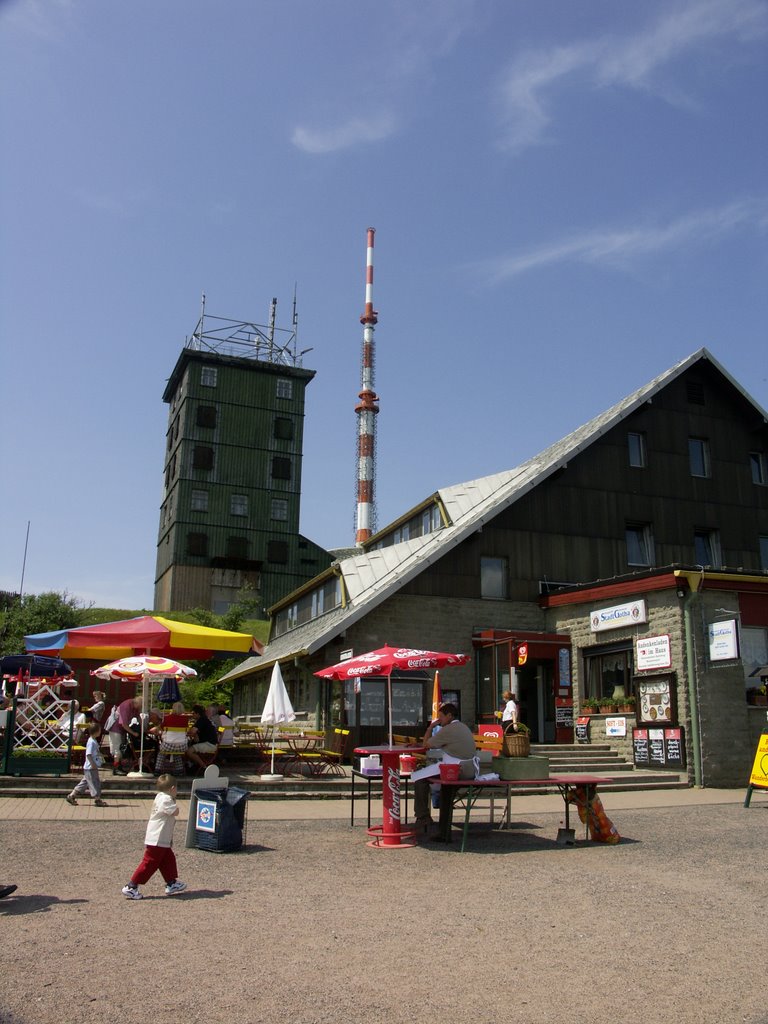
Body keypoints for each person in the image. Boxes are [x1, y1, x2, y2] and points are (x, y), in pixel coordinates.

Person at [413, 702, 477, 835]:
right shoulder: (462, 726)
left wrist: (430, 727)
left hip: (456, 771)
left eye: (441, 717)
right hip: (468, 769)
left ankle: (423, 816)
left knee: (419, 778)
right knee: (443, 791)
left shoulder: (448, 729)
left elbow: (426, 744)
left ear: (449, 715)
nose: (439, 720)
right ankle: (442, 831)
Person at [121, 774, 186, 900]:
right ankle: (131, 886)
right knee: (149, 862)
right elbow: (175, 811)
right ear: (172, 788)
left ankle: (171, 882)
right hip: (157, 838)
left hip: (161, 838)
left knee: (168, 859)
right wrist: (174, 801)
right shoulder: (166, 799)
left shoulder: (159, 797)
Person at [65, 723, 107, 807]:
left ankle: (72, 796)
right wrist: (93, 764)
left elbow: (95, 752)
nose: (100, 732)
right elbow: (88, 754)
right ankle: (97, 799)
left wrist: (101, 755)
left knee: (85, 782)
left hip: (90, 767)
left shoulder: (93, 740)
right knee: (94, 783)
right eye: (99, 730)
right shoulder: (91, 742)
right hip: (90, 767)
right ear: (96, 731)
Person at [108, 696, 142, 775]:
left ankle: (119, 767)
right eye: (140, 706)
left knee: (121, 748)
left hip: (122, 730)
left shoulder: (135, 707)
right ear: (136, 703)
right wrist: (134, 733)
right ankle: (116, 769)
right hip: (115, 728)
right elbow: (124, 724)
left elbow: (138, 716)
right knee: (117, 749)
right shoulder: (126, 706)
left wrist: (141, 726)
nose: (140, 708)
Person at [155, 701, 188, 776]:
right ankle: (180, 771)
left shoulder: (167, 718)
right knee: (177, 753)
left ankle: (157, 769)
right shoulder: (185, 720)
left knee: (161, 752)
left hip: (168, 745)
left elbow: (161, 728)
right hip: (182, 746)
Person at [185, 703, 218, 773]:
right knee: (188, 746)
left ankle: (204, 767)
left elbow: (192, 731)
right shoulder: (203, 719)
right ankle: (194, 764)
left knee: (189, 751)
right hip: (210, 743)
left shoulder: (202, 720)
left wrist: (191, 733)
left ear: (198, 713)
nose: (192, 715)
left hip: (209, 744)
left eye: (193, 713)